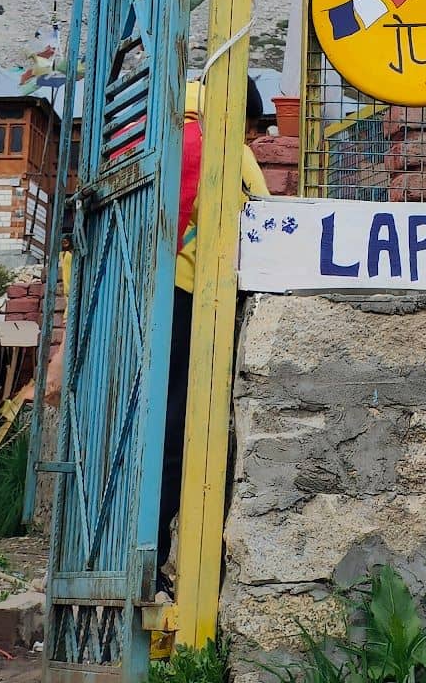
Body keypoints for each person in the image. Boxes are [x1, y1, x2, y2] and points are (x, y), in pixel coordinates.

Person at [45, 76, 269, 596]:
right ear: (242, 118)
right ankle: (147, 570)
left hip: (116, 303)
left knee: (115, 432)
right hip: (184, 305)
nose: (255, 141)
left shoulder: (139, 140)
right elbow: (266, 238)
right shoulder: (230, 152)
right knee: (171, 439)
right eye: (256, 130)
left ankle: (93, 558)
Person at [156, 76, 268, 591]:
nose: (252, 136)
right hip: (193, 298)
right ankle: (157, 560)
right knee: (180, 433)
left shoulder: (176, 134)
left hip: (176, 297)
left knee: (169, 429)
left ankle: (153, 558)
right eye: (250, 126)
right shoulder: (210, 145)